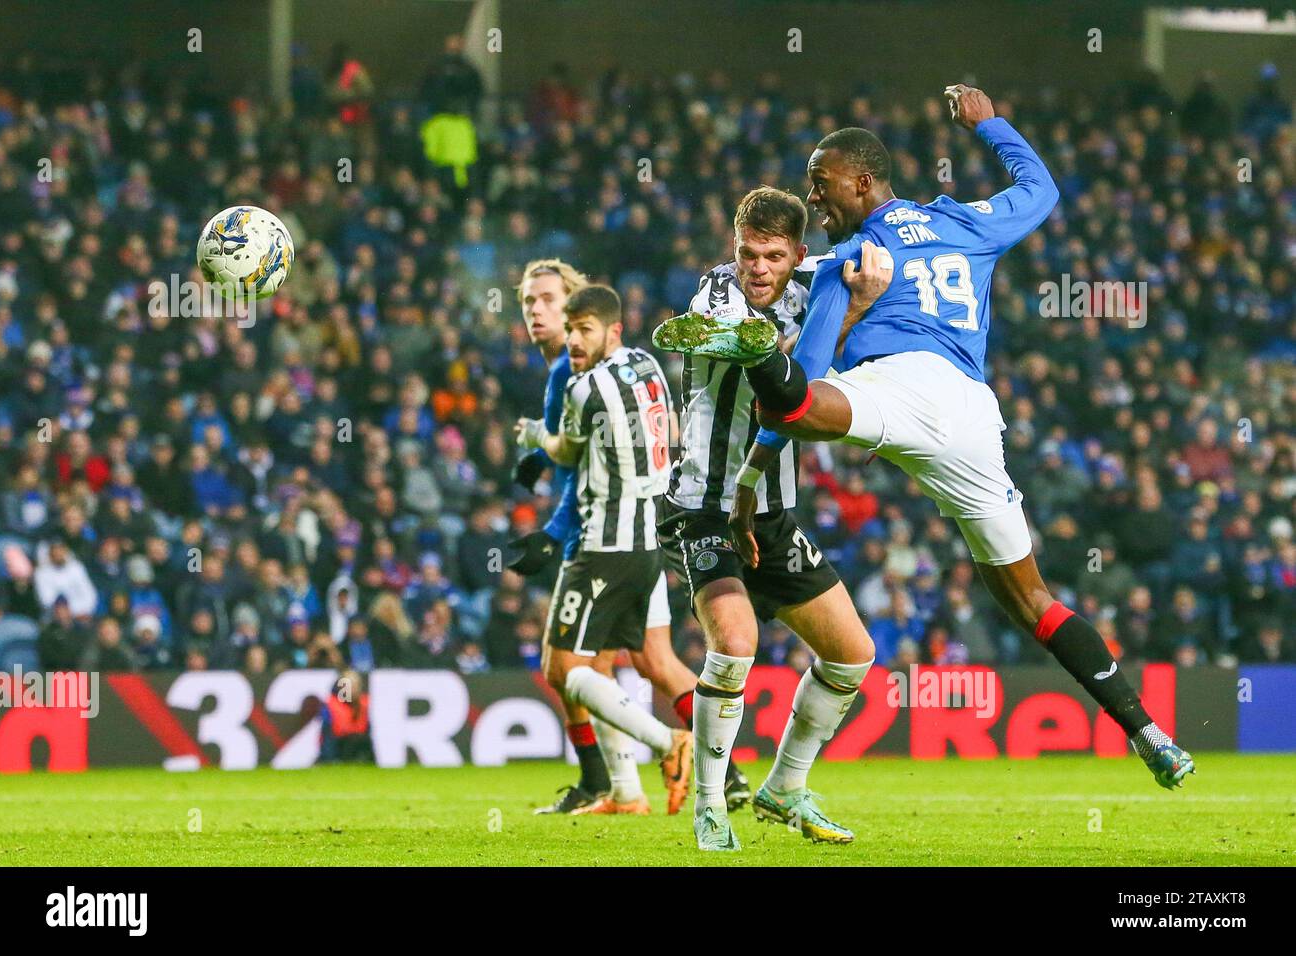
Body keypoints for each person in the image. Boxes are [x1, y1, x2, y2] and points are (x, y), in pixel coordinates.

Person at [654, 84, 1194, 791]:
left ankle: (745, 344)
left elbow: (799, 390)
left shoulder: (850, 263)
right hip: (972, 412)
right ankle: (1150, 735)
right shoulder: (967, 223)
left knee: (787, 397)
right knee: (1032, 599)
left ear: (862, 181)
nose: (816, 202)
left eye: (822, 186)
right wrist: (991, 123)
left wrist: (755, 474)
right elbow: (1039, 190)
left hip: (893, 390)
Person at [657, 186, 876, 850]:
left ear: (796, 254)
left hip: (772, 514)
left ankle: (785, 787)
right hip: (702, 510)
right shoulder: (713, 297)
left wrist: (870, 275)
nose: (757, 267)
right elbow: (771, 363)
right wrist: (850, 309)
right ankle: (709, 807)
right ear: (735, 247)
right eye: (748, 252)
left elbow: (864, 263)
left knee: (853, 656)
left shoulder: (817, 282)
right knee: (736, 641)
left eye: (773, 256)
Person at [509, 260, 748, 815]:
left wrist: (551, 525)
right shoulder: (644, 364)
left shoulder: (571, 383)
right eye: (528, 303)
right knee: (652, 661)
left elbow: (570, 460)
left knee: (569, 667)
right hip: (650, 530)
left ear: (587, 312)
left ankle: (648, 760)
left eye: (550, 301)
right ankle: (675, 781)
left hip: (602, 537)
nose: (540, 314)